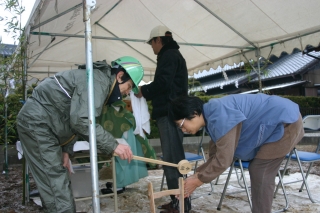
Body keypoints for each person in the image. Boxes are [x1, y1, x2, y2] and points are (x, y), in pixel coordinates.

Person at [16, 56, 144, 213]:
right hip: (37, 123)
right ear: (119, 76)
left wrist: (66, 150)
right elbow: (82, 121)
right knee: (55, 183)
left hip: (45, 125)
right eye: (129, 86)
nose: (127, 92)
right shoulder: (99, 82)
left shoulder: (98, 81)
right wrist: (113, 145)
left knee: (56, 183)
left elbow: (73, 119)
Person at [168, 94, 304, 213]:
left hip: (286, 122)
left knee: (260, 170)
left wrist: (197, 181)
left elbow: (224, 159)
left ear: (194, 113)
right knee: (258, 169)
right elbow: (216, 155)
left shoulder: (219, 115)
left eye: (181, 125)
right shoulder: (212, 115)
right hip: (281, 118)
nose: (183, 130)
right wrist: (196, 176)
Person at [135, 25, 190, 213]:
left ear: (158, 40)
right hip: (171, 110)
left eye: (152, 43)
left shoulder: (169, 55)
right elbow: (167, 83)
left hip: (170, 113)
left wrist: (144, 90)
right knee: (173, 158)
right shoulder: (173, 55)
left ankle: (182, 203)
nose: (152, 47)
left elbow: (163, 83)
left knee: (173, 159)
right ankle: (178, 200)